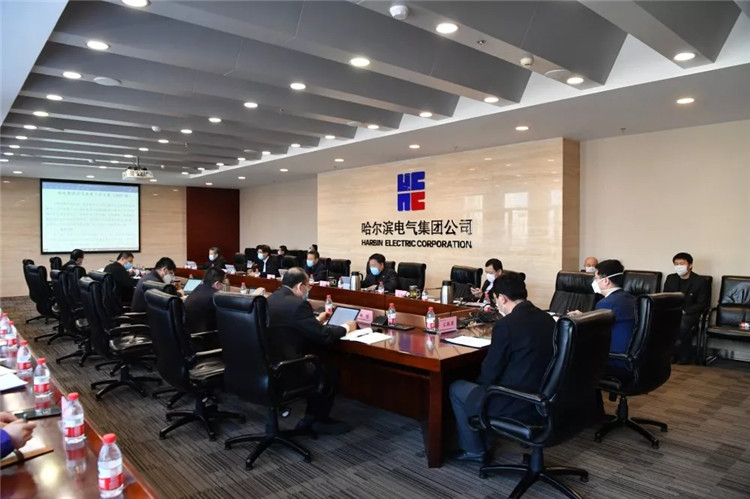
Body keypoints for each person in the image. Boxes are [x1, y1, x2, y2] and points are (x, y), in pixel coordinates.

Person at [449, 271, 555, 463]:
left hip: (515, 399)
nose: (496, 304)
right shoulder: (547, 318)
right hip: (545, 397)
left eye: (496, 299)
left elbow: (490, 372)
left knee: (457, 388)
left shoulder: (506, 325)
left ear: (502, 298)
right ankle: (487, 436)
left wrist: (478, 388)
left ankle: (474, 450)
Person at [266, 268, 357, 435]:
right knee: (329, 372)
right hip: (287, 369)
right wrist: (346, 327)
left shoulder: (271, 299)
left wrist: (315, 321)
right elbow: (324, 337)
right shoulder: (298, 304)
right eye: (308, 287)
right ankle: (318, 420)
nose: (308, 290)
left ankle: (311, 418)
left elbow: (289, 324)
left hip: (268, 365)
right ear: (300, 286)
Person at [569, 259, 635, 360]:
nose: (594, 282)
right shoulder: (630, 298)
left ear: (606, 281)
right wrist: (584, 316)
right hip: (629, 356)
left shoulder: (606, 303)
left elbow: (593, 333)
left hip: (613, 357)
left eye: (596, 278)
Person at [184, 268, 264, 334]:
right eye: (224, 283)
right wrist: (253, 297)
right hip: (206, 337)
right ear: (217, 284)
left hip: (192, 335)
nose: (224, 286)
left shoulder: (198, 290)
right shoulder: (214, 296)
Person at [664, 252, 710, 364]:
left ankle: (684, 355)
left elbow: (702, 303)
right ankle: (669, 354)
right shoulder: (671, 278)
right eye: (676, 264)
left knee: (682, 324)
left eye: (682, 263)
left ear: (690, 265)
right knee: (660, 322)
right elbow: (665, 296)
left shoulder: (700, 281)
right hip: (672, 311)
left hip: (690, 313)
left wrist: (684, 311)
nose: (678, 266)